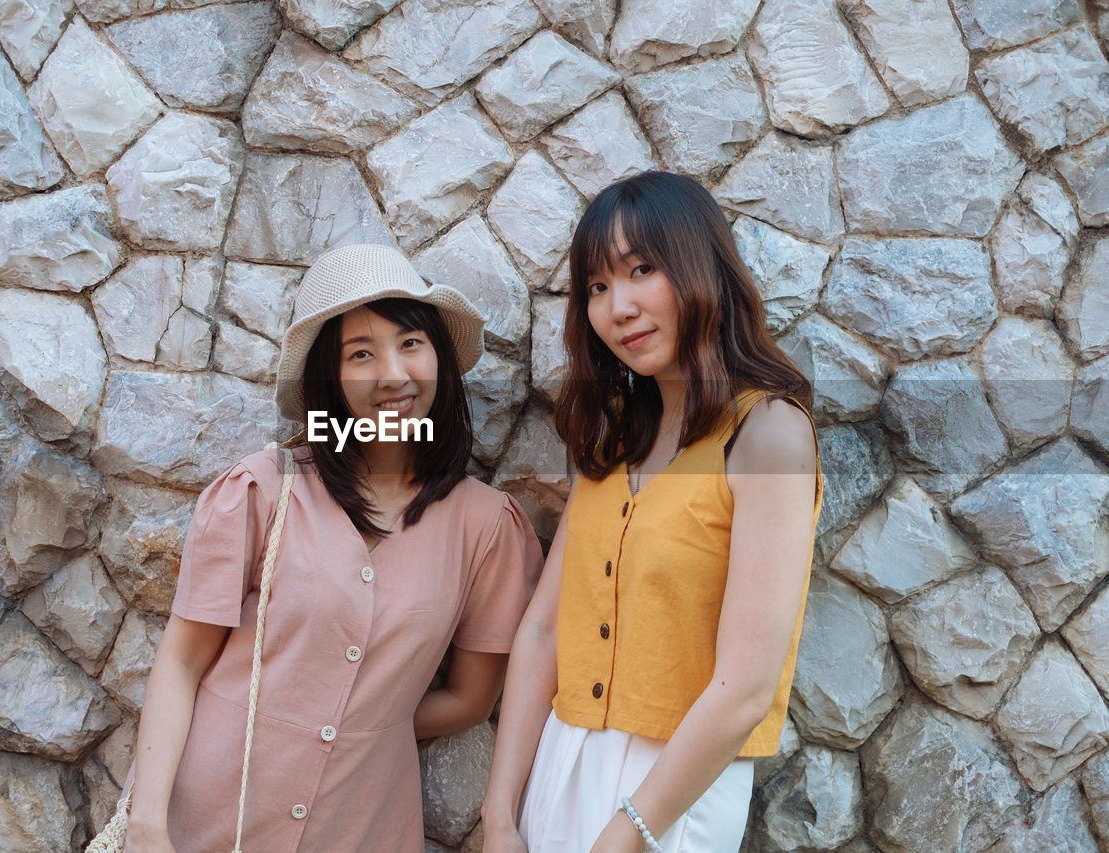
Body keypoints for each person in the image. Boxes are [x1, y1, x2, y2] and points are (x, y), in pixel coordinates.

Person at [123, 243, 544, 852]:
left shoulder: (486, 526)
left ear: (439, 359)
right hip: (210, 812)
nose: (393, 374)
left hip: (360, 824)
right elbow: (183, 660)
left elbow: (472, 699)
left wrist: (356, 726)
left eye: (410, 344)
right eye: (361, 353)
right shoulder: (263, 489)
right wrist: (148, 824)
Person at [481, 171, 822, 853]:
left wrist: (628, 832)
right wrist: (499, 814)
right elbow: (546, 630)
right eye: (599, 287)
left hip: (675, 794)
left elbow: (745, 687)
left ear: (703, 271)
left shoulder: (768, 435)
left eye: (642, 270)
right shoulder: (610, 441)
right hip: (561, 758)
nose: (619, 307)